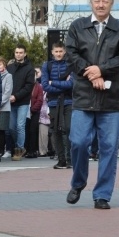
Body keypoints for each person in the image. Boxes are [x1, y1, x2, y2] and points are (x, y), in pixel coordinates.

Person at [64, 0, 119, 210]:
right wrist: (92, 71)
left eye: (104, 1)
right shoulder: (78, 26)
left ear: (111, 3)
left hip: (112, 100)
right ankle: (78, 183)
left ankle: (102, 195)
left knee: (109, 147)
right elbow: (71, 53)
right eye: (97, 1)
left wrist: (102, 70)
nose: (100, 5)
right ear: (91, 3)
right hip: (84, 97)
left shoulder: (118, 28)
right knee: (78, 142)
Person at [41, 41, 73, 169]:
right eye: (56, 51)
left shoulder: (70, 65)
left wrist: (53, 82)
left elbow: (71, 84)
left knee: (69, 129)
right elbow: (45, 86)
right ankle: (61, 160)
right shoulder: (47, 66)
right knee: (56, 131)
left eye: (61, 51)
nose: (59, 54)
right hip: (53, 102)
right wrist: (60, 85)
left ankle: (70, 159)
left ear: (64, 52)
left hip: (69, 101)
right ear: (52, 52)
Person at [6, 44, 35, 160]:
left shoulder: (29, 68)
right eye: (17, 52)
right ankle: (17, 146)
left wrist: (16, 96)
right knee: (11, 127)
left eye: (21, 52)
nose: (19, 54)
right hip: (10, 101)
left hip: (22, 101)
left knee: (20, 125)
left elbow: (29, 86)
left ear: (25, 54)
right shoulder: (10, 67)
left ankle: (19, 148)